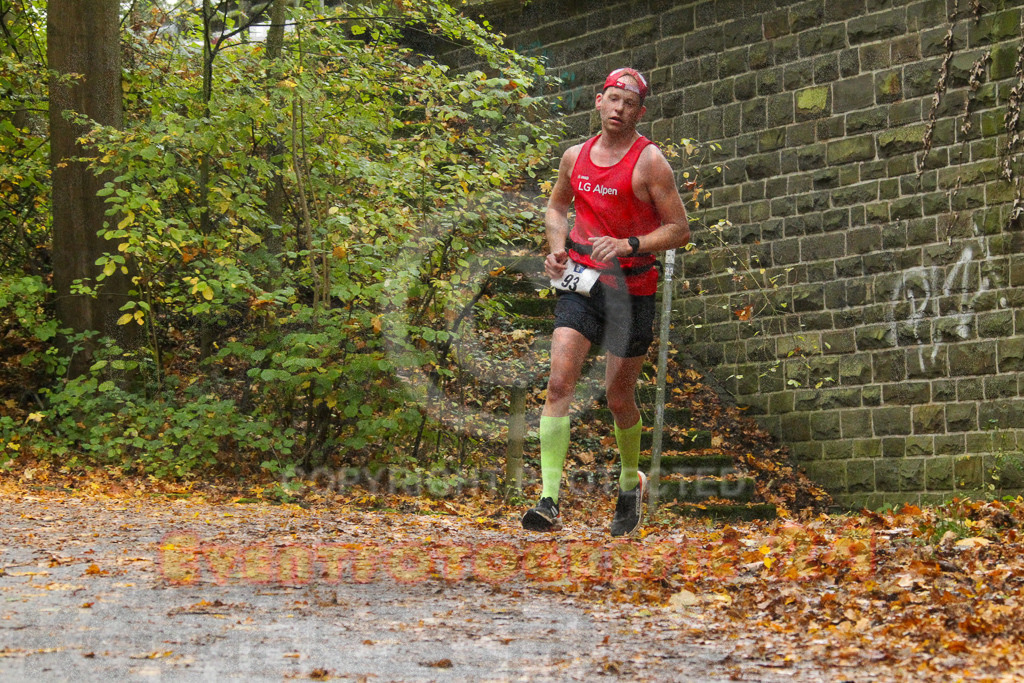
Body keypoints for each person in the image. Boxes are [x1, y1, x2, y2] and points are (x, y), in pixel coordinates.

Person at [521, 67, 690, 537]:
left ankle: (628, 483)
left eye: (629, 103)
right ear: (598, 101)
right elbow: (557, 207)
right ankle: (548, 501)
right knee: (559, 384)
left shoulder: (650, 162)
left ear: (640, 111)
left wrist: (630, 244)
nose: (619, 109)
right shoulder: (574, 157)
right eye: (612, 99)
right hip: (579, 282)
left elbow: (680, 229)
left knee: (618, 397)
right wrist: (556, 248)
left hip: (631, 291)